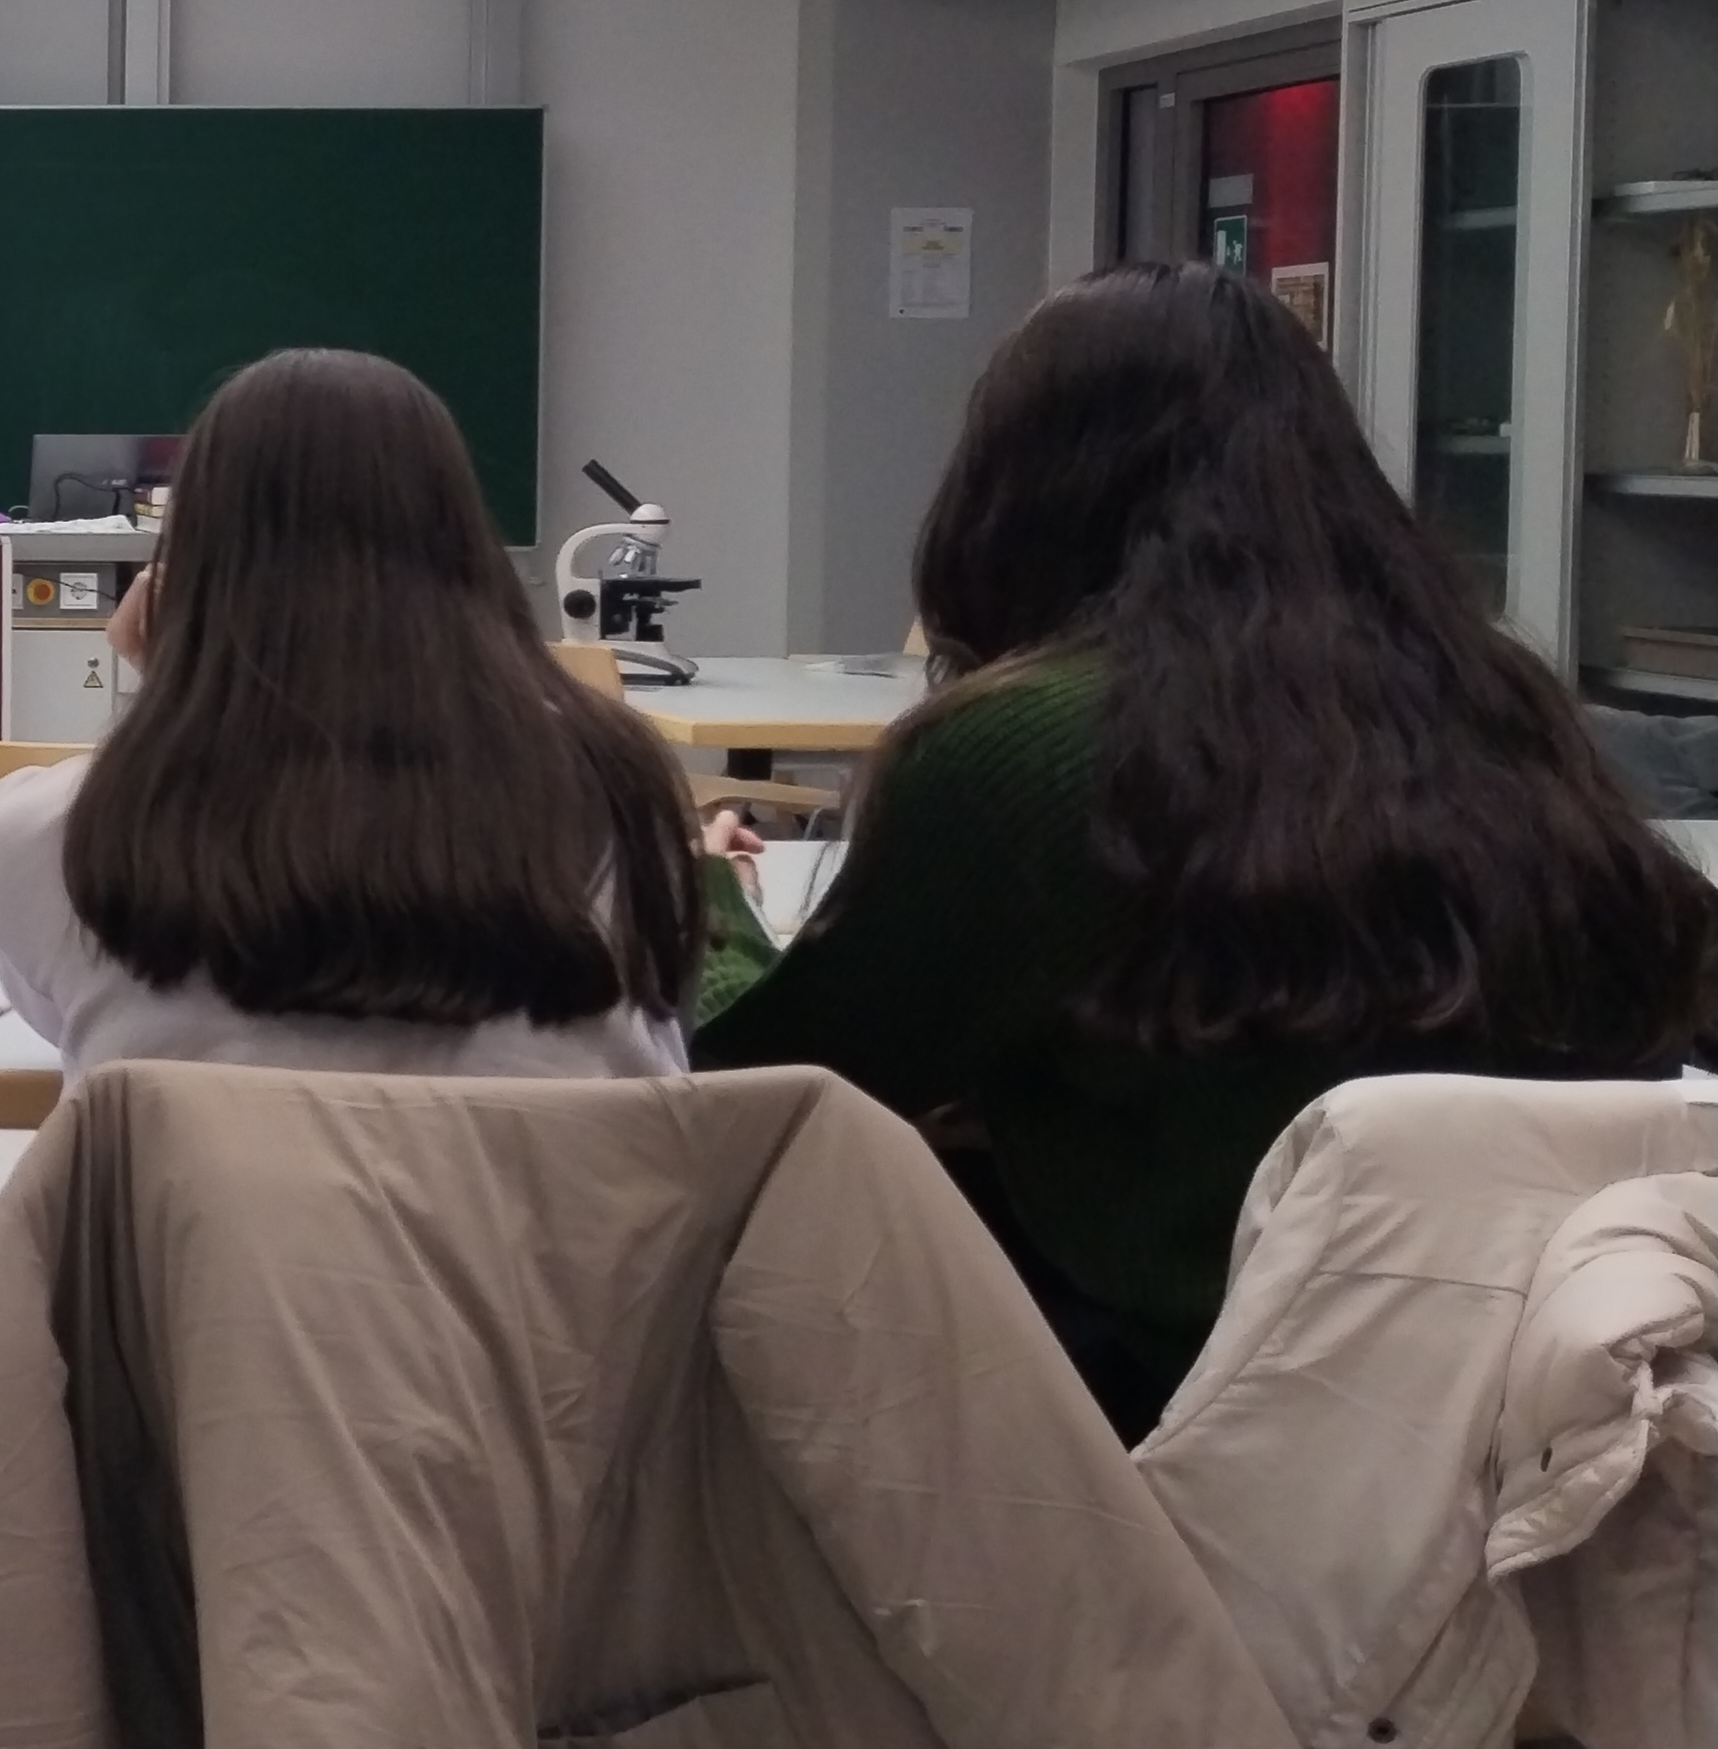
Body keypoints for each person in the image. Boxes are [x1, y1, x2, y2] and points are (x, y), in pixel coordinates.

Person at [696, 259, 1718, 1435]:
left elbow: (768, 1092)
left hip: (1180, 1409)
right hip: (1527, 1407)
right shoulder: (1494, 702)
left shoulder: (1024, 749)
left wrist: (707, 907)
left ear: (1018, 487)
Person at [0, 347, 700, 1080]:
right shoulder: (618, 799)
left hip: (208, 1163)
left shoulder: (50, 835)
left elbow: (69, 1017)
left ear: (187, 574)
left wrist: (179, 685)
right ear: (462, 547)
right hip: (541, 1163)